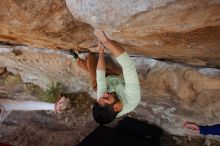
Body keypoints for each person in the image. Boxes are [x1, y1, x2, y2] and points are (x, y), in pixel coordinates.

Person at [69, 29, 141, 125]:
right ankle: (80, 62)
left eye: (101, 97)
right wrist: (106, 41)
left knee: (91, 57)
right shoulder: (132, 99)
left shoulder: (102, 100)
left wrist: (101, 51)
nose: (105, 94)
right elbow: (128, 66)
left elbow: (100, 77)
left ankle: (78, 60)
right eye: (106, 98)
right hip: (116, 78)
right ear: (116, 107)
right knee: (90, 61)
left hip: (102, 82)